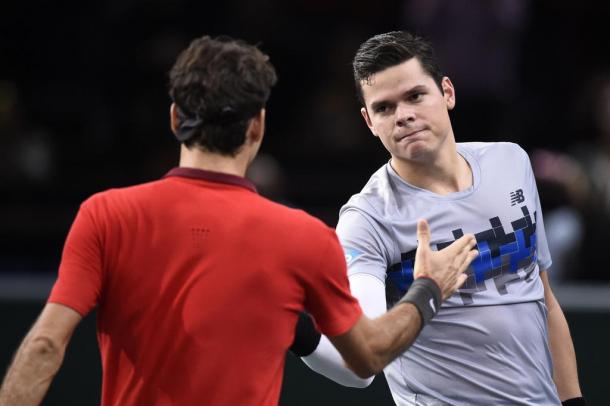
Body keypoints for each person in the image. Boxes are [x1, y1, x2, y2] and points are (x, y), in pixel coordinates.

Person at [0, 35, 478, 406]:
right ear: (258, 126)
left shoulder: (105, 215)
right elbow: (367, 359)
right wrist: (428, 290)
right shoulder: (303, 237)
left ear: (174, 119)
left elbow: (45, 345)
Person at [299, 31, 586, 406]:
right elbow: (360, 361)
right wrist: (294, 329)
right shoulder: (365, 219)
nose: (404, 115)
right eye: (385, 108)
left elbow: (543, 300)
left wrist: (573, 401)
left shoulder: (511, 162)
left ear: (447, 93)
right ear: (369, 121)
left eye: (415, 96)